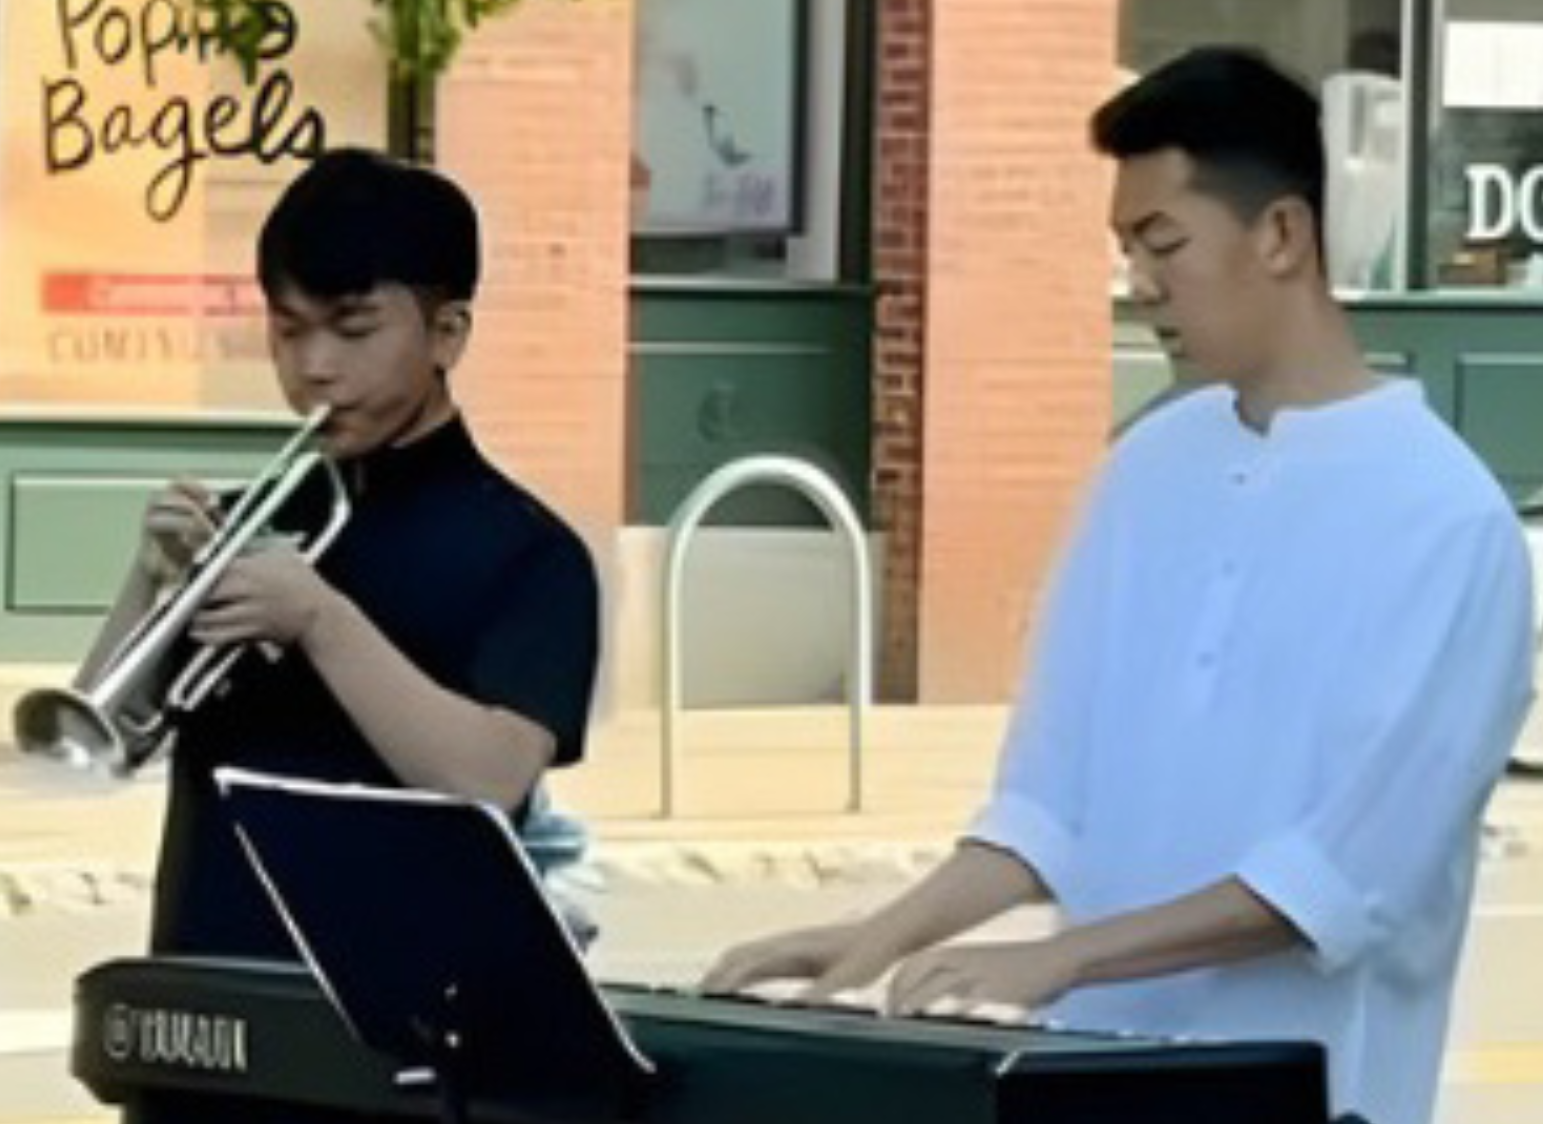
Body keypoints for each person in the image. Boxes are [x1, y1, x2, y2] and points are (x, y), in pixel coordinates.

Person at [702, 47, 1534, 1124]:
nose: (1139, 284)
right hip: (1088, 1080)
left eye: (1163, 242)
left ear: (1282, 234)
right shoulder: (1146, 468)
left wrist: (1063, 959)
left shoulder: (1450, 524)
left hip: (1315, 1094)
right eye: (1125, 248)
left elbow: (1341, 881)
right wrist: (875, 938)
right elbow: (1047, 805)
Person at [77, 148, 601, 962]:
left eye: (354, 330)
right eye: (288, 330)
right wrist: (150, 583)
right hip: (202, 987)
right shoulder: (255, 520)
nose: (314, 367)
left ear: (447, 334)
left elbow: (491, 779)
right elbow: (96, 744)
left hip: (394, 1010)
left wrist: (321, 622)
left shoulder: (533, 553)